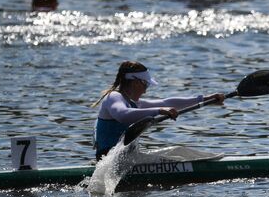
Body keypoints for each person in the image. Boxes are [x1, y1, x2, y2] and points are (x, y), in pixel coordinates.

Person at [93, 60, 224, 159]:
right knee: (177, 153)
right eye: (146, 84)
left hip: (124, 159)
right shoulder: (114, 97)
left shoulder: (133, 103)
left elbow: (167, 102)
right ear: (134, 81)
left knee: (176, 152)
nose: (145, 90)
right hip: (110, 160)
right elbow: (122, 115)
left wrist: (205, 99)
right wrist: (159, 110)